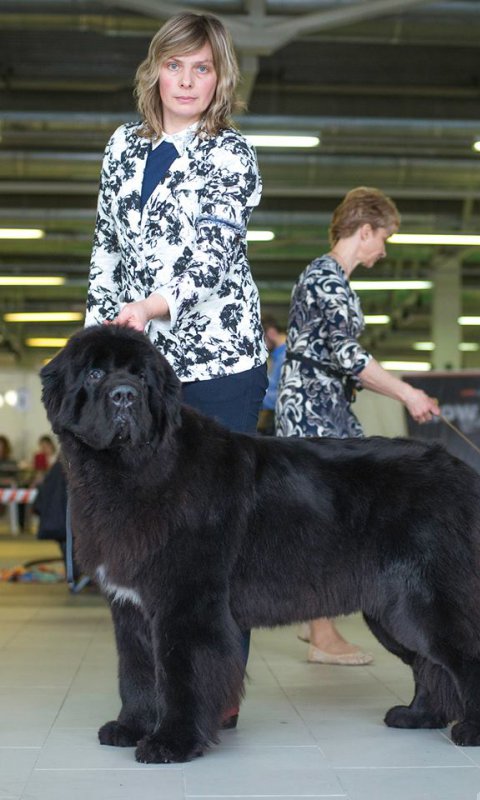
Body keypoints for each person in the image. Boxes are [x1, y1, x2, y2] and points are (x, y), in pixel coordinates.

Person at [85, 11, 268, 727]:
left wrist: (149, 307)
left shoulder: (232, 153)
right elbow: (107, 246)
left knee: (215, 537)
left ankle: (215, 695)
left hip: (221, 363)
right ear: (154, 70)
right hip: (140, 368)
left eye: (202, 68)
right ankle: (151, 692)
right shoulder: (122, 146)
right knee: (141, 535)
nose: (187, 81)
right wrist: (96, 339)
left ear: (220, 78)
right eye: (175, 65)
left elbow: (213, 259)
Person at [276, 186, 440, 666]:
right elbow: (349, 357)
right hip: (311, 409)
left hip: (327, 406)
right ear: (364, 230)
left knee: (335, 514)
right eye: (383, 238)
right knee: (325, 518)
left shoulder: (332, 280)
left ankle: (317, 621)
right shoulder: (325, 278)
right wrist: (408, 394)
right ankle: (322, 632)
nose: (383, 250)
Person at [257, 316, 287, 435]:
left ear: (271, 333)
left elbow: (282, 396)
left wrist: (252, 397)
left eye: (260, 338)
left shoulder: (285, 357)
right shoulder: (279, 356)